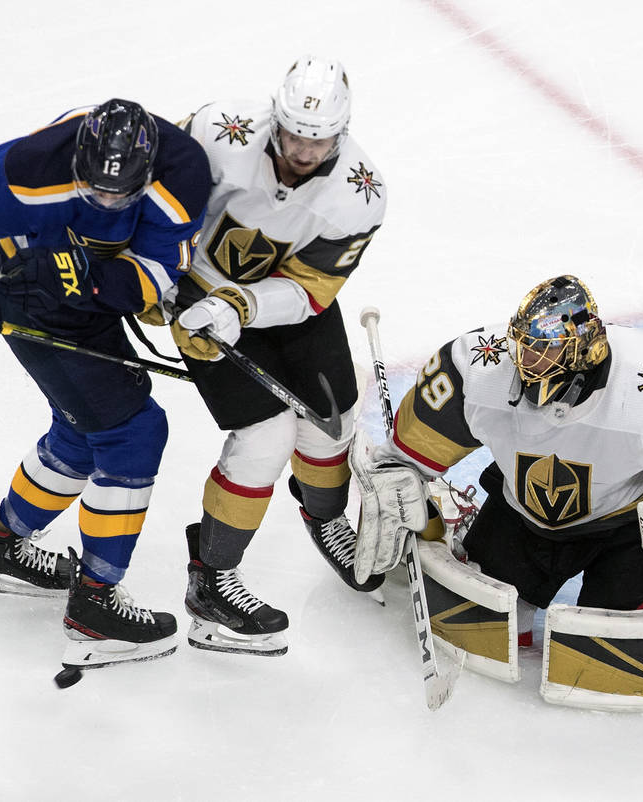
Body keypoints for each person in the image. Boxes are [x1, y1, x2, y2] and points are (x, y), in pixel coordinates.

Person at [0, 98, 212, 672]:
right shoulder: (32, 166)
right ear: (77, 161)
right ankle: (96, 609)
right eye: (95, 189)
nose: (108, 202)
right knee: (133, 432)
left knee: (81, 432)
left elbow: (153, 274)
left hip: (90, 306)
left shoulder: (184, 172)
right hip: (26, 297)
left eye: (123, 193)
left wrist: (87, 282)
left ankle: (1, 546)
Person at [354, 274, 643, 642]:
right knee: (487, 625)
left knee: (618, 639)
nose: (524, 363)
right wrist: (400, 479)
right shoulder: (475, 365)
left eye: (542, 354)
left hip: (627, 527)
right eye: (523, 349)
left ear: (583, 353)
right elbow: (418, 443)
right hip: (521, 513)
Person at [168, 55, 387, 656]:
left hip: (280, 302)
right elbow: (153, 197)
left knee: (331, 423)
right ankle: (211, 580)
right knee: (263, 439)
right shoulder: (216, 131)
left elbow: (309, 288)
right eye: (293, 134)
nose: (301, 151)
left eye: (317, 142)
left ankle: (324, 517)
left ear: (340, 133)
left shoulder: (359, 195)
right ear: (274, 116)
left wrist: (240, 307)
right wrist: (155, 281)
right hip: (196, 292)